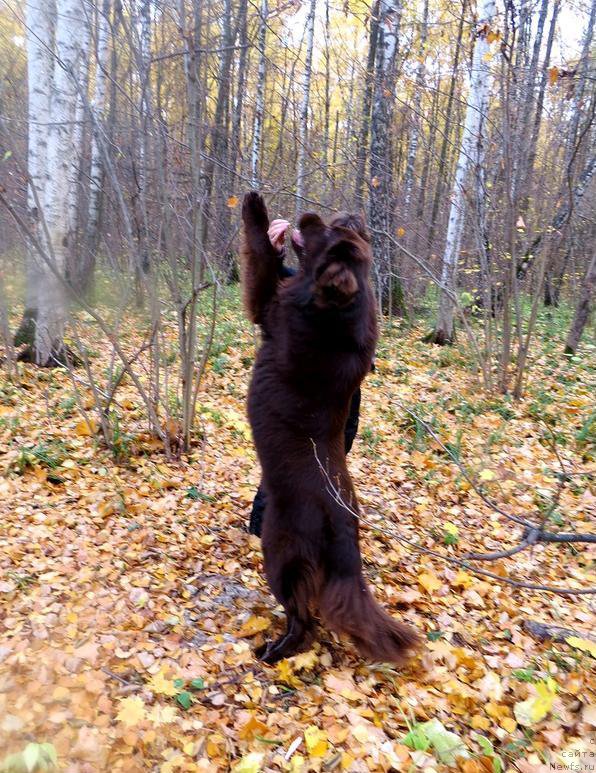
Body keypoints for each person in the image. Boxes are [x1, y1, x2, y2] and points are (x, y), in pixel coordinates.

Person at [248, 213, 369, 537]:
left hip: (339, 408)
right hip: (302, 397)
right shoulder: (312, 281)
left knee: (326, 470)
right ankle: (260, 530)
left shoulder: (357, 296)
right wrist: (273, 254)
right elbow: (280, 288)